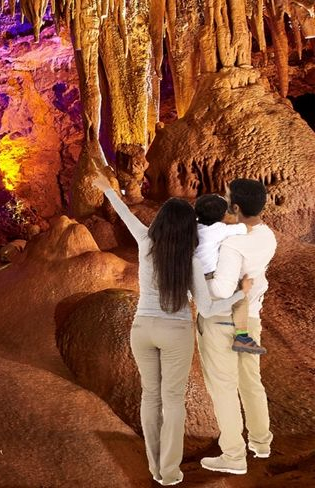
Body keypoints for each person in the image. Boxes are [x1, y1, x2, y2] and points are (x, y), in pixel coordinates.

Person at [93, 175, 251, 486]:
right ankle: (169, 472)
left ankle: (155, 467)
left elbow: (126, 214)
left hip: (142, 329)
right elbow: (207, 309)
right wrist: (240, 293)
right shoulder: (190, 260)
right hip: (175, 331)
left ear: (161, 222)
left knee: (150, 396)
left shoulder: (146, 242)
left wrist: (108, 189)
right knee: (173, 400)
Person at [198, 179, 277, 475]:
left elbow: (221, 290)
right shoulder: (268, 236)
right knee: (251, 382)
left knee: (224, 388)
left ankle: (233, 455)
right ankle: (261, 442)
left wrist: (199, 279)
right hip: (251, 319)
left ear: (236, 207)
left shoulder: (232, 244)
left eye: (228, 197)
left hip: (222, 322)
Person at [193, 195, 264, 354]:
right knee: (241, 297)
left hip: (191, 277)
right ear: (223, 215)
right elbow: (248, 229)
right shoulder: (219, 229)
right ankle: (242, 337)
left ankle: (201, 327)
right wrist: (232, 220)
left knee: (202, 305)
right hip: (208, 277)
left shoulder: (193, 227)